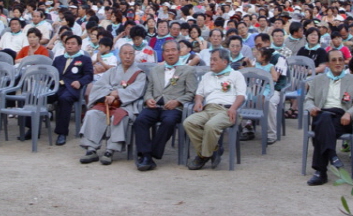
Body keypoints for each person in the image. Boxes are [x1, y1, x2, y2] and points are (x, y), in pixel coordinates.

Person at [303, 49, 353, 186]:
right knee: (323, 118)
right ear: (328, 64)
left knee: (322, 126)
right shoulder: (318, 80)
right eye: (334, 60)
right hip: (322, 113)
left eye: (340, 60)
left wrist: (349, 113)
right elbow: (308, 100)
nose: (338, 63)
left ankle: (320, 172)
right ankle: (331, 154)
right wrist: (312, 108)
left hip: (342, 118)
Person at [134, 40, 197, 171]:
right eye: (167, 51)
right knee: (140, 120)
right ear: (163, 53)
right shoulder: (155, 70)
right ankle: (146, 156)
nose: (170, 53)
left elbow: (191, 92)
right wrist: (148, 99)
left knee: (168, 121)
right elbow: (149, 90)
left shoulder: (188, 70)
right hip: (155, 105)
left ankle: (150, 154)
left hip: (173, 107)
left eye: (173, 50)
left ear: (179, 52)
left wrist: (178, 101)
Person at [79, 44, 146, 165]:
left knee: (119, 117)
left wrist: (118, 93)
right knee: (93, 114)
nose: (128, 56)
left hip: (126, 104)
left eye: (131, 54)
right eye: (125, 53)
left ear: (134, 56)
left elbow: (136, 90)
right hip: (106, 101)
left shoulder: (140, 74)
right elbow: (99, 86)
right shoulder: (112, 71)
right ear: (119, 55)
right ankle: (91, 149)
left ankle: (110, 150)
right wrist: (109, 93)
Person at [183, 48, 247, 170]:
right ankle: (214, 149)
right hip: (208, 109)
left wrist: (233, 108)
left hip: (227, 110)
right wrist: (198, 102)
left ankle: (203, 156)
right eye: (211, 59)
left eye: (215, 60)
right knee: (189, 122)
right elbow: (199, 93)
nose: (211, 62)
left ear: (225, 61)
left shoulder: (236, 75)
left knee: (211, 126)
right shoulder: (207, 76)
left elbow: (241, 95)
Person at [50, 35, 93, 146]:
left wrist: (80, 82)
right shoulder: (59, 59)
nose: (69, 46)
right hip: (56, 87)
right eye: (68, 43)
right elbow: (52, 73)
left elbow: (89, 76)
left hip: (71, 88)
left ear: (79, 46)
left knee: (64, 99)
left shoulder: (85, 59)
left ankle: (62, 133)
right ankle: (31, 128)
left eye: (73, 43)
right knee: (36, 96)